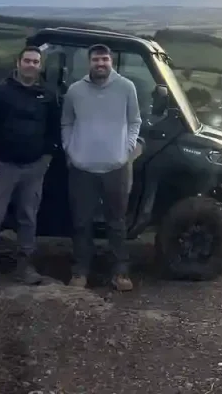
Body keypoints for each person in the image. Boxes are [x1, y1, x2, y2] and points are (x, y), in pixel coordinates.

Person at [0, 46, 60, 286]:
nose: (31, 65)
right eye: (27, 60)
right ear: (18, 63)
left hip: (33, 168)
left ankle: (25, 267)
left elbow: (53, 131)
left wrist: (46, 159)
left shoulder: (47, 95)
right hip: (0, 165)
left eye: (36, 62)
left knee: (28, 217)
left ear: (40, 66)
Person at [61, 43, 143, 291]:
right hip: (82, 168)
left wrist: (126, 148)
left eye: (105, 60)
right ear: (89, 63)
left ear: (111, 62)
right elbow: (67, 123)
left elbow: (134, 121)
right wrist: (70, 148)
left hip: (116, 168)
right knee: (81, 223)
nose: (101, 64)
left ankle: (120, 272)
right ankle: (80, 272)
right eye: (96, 60)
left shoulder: (126, 87)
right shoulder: (75, 91)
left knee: (116, 223)